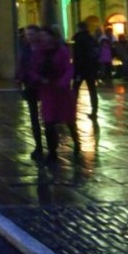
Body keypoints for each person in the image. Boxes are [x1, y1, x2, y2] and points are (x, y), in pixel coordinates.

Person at [31, 26, 80, 163]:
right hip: (47, 91)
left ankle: (76, 142)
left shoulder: (61, 51)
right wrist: (39, 78)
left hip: (61, 91)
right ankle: (52, 151)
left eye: (46, 36)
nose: (44, 39)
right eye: (42, 37)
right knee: (49, 121)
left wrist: (64, 81)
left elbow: (68, 68)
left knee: (69, 120)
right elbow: (33, 69)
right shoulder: (39, 52)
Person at [17, 24, 44, 159]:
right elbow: (22, 65)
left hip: (43, 84)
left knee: (48, 117)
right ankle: (38, 146)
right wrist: (20, 79)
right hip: (30, 84)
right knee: (34, 118)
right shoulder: (25, 48)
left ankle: (52, 147)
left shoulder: (44, 48)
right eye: (28, 35)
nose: (29, 37)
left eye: (32, 34)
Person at [72, 21, 100, 120]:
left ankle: (72, 110)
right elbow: (96, 53)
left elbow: (77, 55)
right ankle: (94, 111)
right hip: (91, 69)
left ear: (79, 28)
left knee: (75, 90)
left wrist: (76, 69)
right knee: (92, 90)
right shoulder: (91, 38)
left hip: (80, 68)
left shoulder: (77, 38)